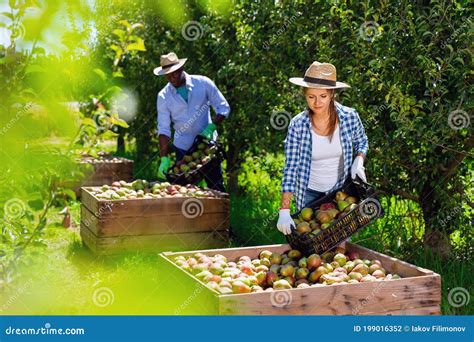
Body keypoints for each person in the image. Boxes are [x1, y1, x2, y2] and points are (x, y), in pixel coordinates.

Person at [277, 61, 369, 235]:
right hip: (309, 192)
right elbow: (291, 168)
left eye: (323, 96)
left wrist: (359, 159)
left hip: (340, 192)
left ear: (332, 94)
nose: (317, 102)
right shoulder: (298, 125)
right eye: (311, 97)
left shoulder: (349, 117)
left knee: (340, 240)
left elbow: (362, 141)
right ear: (305, 95)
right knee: (310, 239)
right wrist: (284, 210)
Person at [154, 52, 230, 191]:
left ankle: (218, 212)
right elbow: (164, 129)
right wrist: (164, 158)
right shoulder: (164, 96)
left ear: (181, 68)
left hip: (207, 146)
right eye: (168, 74)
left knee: (216, 187)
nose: (172, 77)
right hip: (183, 148)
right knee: (183, 191)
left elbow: (223, 107)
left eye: (174, 73)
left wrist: (211, 127)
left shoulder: (203, 83)